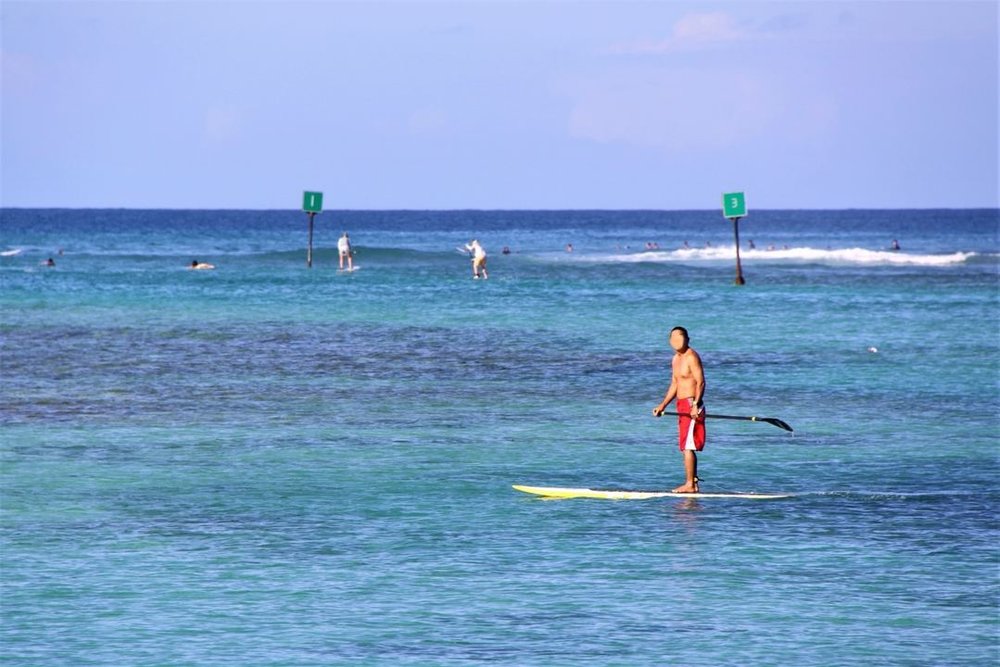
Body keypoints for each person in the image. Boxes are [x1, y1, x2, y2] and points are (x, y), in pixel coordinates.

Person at [652, 326, 706, 493]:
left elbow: (701, 382)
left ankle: (690, 485)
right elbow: (675, 383)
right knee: (684, 445)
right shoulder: (675, 359)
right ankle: (691, 482)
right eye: (674, 338)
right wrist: (662, 405)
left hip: (691, 404)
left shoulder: (692, 356)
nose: (677, 340)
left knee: (688, 445)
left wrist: (696, 404)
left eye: (681, 337)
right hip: (681, 405)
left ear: (688, 339)